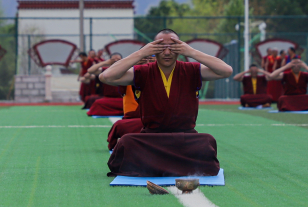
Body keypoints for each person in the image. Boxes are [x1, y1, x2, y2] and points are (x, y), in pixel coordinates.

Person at [100, 29, 233, 177]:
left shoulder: (191, 70)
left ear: (180, 48)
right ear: (153, 49)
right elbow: (107, 76)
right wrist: (141, 53)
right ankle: (179, 166)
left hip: (184, 138)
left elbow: (226, 71)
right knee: (127, 141)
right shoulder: (142, 72)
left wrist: (191, 52)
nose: (167, 52)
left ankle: (152, 166)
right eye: (161, 48)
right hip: (152, 139)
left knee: (207, 141)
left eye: (173, 47)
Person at [106, 55, 154, 151]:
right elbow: (107, 76)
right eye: (144, 58)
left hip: (156, 120)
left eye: (151, 59)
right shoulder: (131, 74)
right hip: (133, 118)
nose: (146, 61)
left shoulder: (162, 75)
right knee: (120, 125)